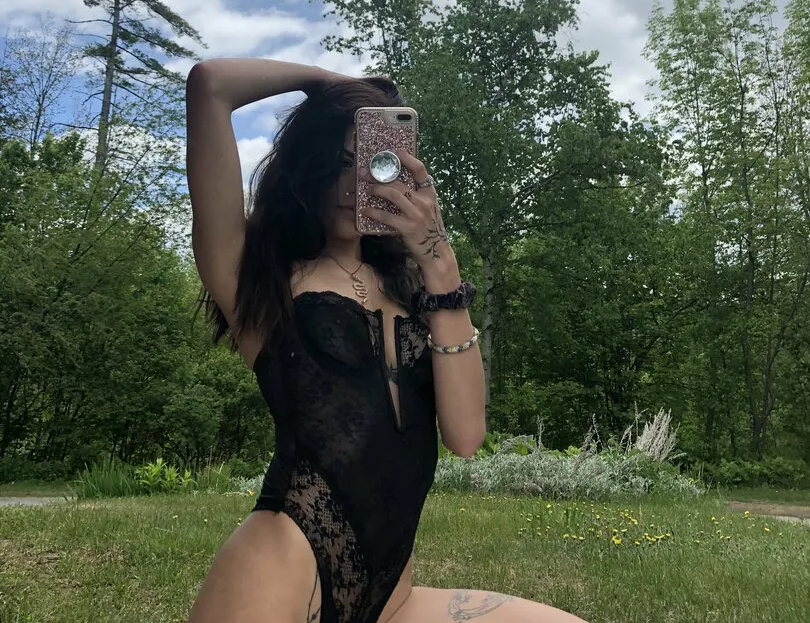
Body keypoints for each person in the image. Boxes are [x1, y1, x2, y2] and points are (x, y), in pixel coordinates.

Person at [184, 57, 587, 623]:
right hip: (279, 573)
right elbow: (210, 85)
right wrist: (330, 83)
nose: (353, 184)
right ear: (308, 166)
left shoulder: (416, 289)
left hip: (392, 599)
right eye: (337, 162)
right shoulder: (260, 278)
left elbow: (466, 436)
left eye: (373, 164)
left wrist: (440, 265)